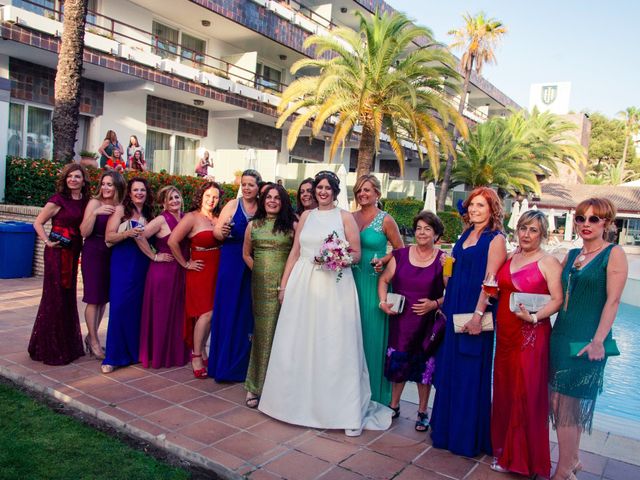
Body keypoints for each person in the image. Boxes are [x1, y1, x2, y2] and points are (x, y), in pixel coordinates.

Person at [259, 171, 393, 436]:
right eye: (318, 187)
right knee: (298, 340)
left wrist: (337, 258)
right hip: (302, 283)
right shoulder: (306, 216)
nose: (321, 192)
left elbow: (355, 255)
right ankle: (292, 404)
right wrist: (284, 285)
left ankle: (335, 408)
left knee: (331, 342)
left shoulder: (344, 217)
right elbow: (295, 253)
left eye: (327, 188)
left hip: (333, 286)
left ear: (334, 191)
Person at [549, 198, 627, 480]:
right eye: (581, 218)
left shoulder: (613, 254)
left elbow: (614, 301)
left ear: (606, 222)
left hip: (587, 341)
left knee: (566, 405)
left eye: (594, 219)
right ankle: (575, 459)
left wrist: (597, 340)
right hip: (561, 336)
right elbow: (553, 288)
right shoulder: (571, 255)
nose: (585, 224)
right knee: (560, 403)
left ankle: (563, 469)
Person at [430, 187, 507, 457]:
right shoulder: (464, 235)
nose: (474, 210)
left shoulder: (496, 239)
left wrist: (477, 318)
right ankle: (446, 432)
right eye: (472, 205)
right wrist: (446, 268)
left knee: (470, 375)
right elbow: (450, 280)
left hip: (475, 315)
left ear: (492, 210)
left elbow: (491, 282)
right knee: (451, 371)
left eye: (480, 206)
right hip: (454, 312)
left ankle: (466, 438)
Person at [491, 210, 563, 477]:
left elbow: (557, 299)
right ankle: (504, 450)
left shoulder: (548, 262)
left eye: (533, 230)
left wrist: (533, 317)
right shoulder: (511, 257)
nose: (526, 234)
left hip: (531, 336)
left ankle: (524, 459)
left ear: (542, 234)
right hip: (506, 334)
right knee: (505, 390)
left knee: (526, 394)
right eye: (523, 228)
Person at [378, 211, 446, 431]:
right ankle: (394, 405)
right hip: (401, 322)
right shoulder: (401, 255)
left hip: (427, 325)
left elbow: (453, 292)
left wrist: (434, 304)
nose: (422, 232)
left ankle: (423, 411)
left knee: (424, 370)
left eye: (428, 229)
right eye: (418, 228)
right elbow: (384, 279)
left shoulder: (444, 260)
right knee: (398, 365)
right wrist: (382, 302)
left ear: (436, 234)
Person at [101, 178, 171, 374]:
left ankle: (133, 353)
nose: (139, 193)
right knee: (120, 307)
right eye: (135, 190)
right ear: (129, 193)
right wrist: (128, 233)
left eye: (142, 190)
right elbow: (109, 236)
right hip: (123, 263)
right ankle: (113, 357)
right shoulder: (121, 210)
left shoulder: (150, 214)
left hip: (143, 265)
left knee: (138, 309)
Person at [28, 164, 90, 365]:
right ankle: (49, 347)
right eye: (70, 176)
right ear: (65, 179)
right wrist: (47, 241)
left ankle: (68, 344)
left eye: (77, 176)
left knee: (67, 296)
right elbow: (37, 222)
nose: (73, 179)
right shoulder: (58, 200)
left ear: (83, 180)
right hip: (56, 252)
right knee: (54, 296)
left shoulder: (85, 201)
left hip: (73, 251)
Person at [242, 184, 296, 408]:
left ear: (283, 202)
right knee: (263, 334)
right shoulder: (253, 224)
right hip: (260, 285)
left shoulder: (292, 226)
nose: (272, 201)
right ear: (263, 201)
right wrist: (261, 271)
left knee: (285, 334)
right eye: (269, 198)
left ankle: (282, 388)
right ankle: (255, 386)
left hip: (288, 285)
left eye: (277, 198)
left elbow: (299, 255)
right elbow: (246, 253)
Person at [352, 174, 403, 405]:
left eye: (367, 190)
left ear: (377, 194)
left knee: (371, 337)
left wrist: (383, 259)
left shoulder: (385, 219)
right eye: (360, 191)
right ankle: (351, 390)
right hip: (351, 281)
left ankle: (373, 391)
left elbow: (401, 251)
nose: (363, 194)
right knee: (351, 335)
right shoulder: (350, 217)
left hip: (375, 282)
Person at [209, 169, 261, 381]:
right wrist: (221, 232)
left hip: (252, 264)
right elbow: (216, 232)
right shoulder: (232, 205)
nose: (247, 188)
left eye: (251, 184)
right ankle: (223, 364)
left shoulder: (262, 207)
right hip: (231, 262)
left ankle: (243, 366)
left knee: (247, 312)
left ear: (258, 187)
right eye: (244, 184)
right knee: (228, 310)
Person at [168, 181, 223, 378]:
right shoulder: (192, 217)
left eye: (215, 197)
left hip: (218, 268)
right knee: (205, 313)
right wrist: (185, 263)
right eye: (208, 196)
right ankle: (196, 355)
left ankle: (203, 350)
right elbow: (172, 241)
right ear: (201, 196)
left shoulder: (218, 218)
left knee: (212, 314)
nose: (211, 200)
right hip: (199, 270)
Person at [138, 186, 189, 369]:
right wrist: (154, 255)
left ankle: (175, 354)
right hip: (163, 272)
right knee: (162, 314)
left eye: (177, 197)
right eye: (170, 199)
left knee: (177, 314)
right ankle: (159, 355)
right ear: (163, 203)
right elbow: (140, 236)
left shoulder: (185, 217)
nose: (174, 201)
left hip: (181, 271)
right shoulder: (161, 219)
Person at [80, 170, 126, 360]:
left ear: (117, 186)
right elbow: (83, 231)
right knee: (93, 298)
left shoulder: (120, 206)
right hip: (93, 251)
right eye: (103, 184)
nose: (105, 188)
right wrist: (96, 213)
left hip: (111, 253)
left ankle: (92, 336)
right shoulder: (94, 202)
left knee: (103, 298)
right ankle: (94, 340)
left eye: (110, 184)